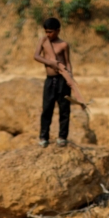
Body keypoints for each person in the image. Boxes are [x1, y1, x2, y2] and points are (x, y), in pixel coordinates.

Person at [34, 17, 73, 148]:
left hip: (62, 79)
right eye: (46, 31)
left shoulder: (63, 45)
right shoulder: (43, 41)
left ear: (58, 31)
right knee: (47, 109)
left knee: (64, 109)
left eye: (50, 32)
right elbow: (36, 56)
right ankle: (44, 137)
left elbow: (67, 62)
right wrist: (50, 62)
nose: (48, 34)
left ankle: (62, 137)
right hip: (50, 80)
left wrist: (70, 79)